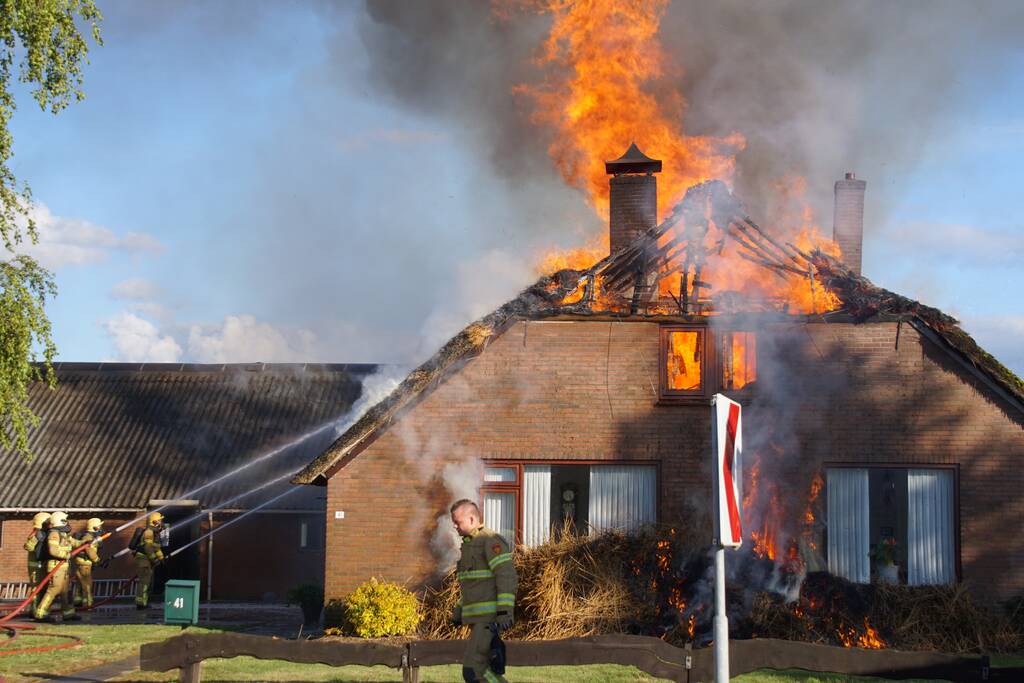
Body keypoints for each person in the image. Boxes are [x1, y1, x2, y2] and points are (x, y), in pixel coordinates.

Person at [449, 499, 517, 683]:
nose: (454, 526)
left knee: (473, 670)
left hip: (489, 621)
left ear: (472, 519)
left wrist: (504, 612)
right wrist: (459, 611)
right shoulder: (469, 545)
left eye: (457, 521)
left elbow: (506, 576)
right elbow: (472, 586)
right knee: (481, 669)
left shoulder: (490, 541)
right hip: (479, 620)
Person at [33, 510, 82, 622]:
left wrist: (86, 541)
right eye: (66, 520)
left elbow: (74, 542)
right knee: (53, 590)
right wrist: (67, 555)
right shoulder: (54, 534)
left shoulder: (63, 534)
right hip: (56, 567)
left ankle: (68, 614)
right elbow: (53, 551)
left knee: (65, 591)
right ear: (61, 521)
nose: (67, 522)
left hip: (64, 568)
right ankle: (41, 614)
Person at [133, 512, 165, 610]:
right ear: (155, 522)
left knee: (147, 582)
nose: (162, 522)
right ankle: (141, 604)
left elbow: (157, 548)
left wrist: (161, 558)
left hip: (147, 560)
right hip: (143, 560)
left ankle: (144, 602)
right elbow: (148, 547)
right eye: (160, 520)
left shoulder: (155, 533)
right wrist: (154, 559)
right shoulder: (149, 532)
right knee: (144, 582)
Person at [72, 518, 104, 609]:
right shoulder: (88, 538)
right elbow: (90, 551)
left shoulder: (89, 536)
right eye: (99, 526)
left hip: (81, 563)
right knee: (87, 585)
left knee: (80, 583)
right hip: (85, 564)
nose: (101, 528)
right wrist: (98, 560)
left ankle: (78, 601)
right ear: (95, 527)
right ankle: (88, 604)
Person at [23, 511, 50, 615]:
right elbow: (28, 547)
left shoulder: (45, 533)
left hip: (42, 565)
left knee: (43, 588)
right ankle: (34, 610)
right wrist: (36, 538)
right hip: (36, 568)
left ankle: (37, 609)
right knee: (36, 589)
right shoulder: (36, 534)